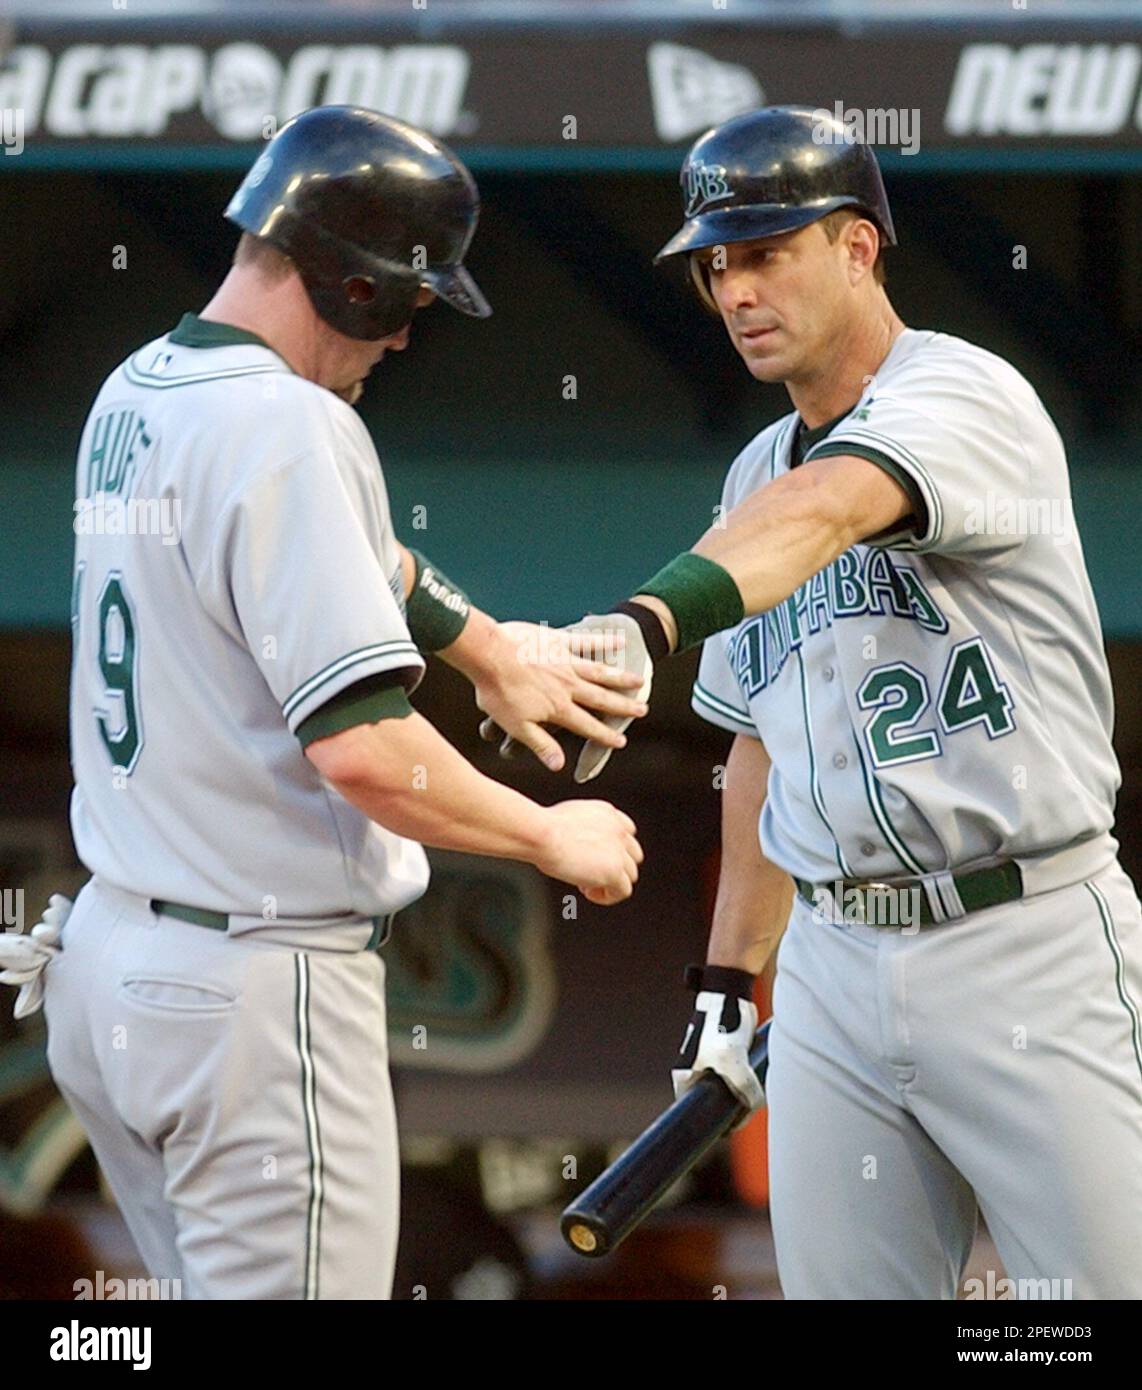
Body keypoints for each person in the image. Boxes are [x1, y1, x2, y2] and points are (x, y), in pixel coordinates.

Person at [0, 106, 644, 1300]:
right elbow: (360, 749)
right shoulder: (294, 420)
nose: (404, 336)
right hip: (252, 987)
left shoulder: (138, 385)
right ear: (348, 282)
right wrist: (546, 832)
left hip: (113, 967)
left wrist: (487, 646)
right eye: (405, 299)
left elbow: (350, 558)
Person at [556, 105, 1142, 1298]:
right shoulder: (748, 470)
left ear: (858, 247)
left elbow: (826, 508)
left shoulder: (967, 395)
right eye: (716, 264)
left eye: (765, 251)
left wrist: (647, 618)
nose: (735, 291)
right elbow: (760, 746)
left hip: (1021, 931)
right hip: (831, 960)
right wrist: (728, 983)